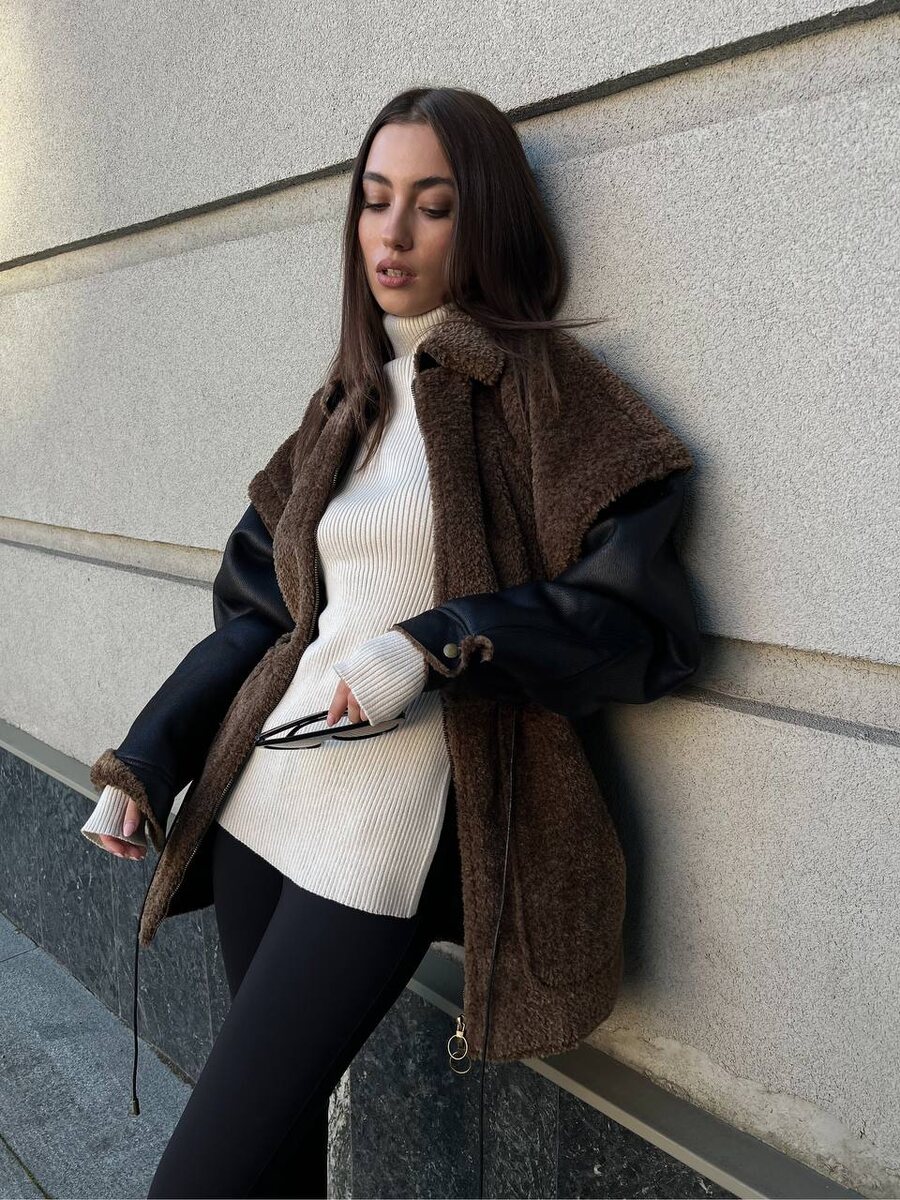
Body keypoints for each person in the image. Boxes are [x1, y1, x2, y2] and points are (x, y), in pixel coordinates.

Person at [80, 85, 702, 1199]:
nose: (394, 234)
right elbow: (263, 616)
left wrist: (433, 644)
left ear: (487, 219)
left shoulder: (545, 396)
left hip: (384, 834)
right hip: (264, 804)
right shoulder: (348, 405)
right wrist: (147, 761)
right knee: (273, 1166)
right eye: (375, 202)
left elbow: (633, 618)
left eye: (433, 205)